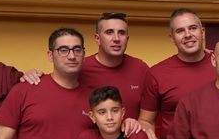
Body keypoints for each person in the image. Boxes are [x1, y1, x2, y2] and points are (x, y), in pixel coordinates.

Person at [138, 8, 215, 139]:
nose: (188, 34)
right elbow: (146, 119)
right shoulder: (158, 73)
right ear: (172, 38)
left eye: (192, 28)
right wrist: (145, 129)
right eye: (180, 31)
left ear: (202, 32)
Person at [18, 12, 150, 119]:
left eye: (121, 33)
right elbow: (56, 84)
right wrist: (32, 74)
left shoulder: (141, 69)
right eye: (109, 32)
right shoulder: (78, 66)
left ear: (127, 39)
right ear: (97, 38)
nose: (116, 38)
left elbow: (149, 114)